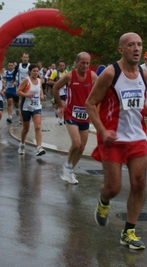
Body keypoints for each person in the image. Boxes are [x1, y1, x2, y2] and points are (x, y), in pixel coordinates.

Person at [85, 32, 147, 250]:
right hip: (113, 139)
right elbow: (90, 103)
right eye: (131, 45)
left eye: (139, 44)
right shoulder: (110, 73)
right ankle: (104, 199)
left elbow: (139, 104)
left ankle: (129, 231)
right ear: (121, 50)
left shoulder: (144, 76)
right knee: (113, 187)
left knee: (140, 184)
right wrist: (102, 131)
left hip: (136, 138)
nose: (136, 48)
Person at [53, 52, 97, 185]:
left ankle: (70, 170)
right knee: (76, 143)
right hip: (71, 113)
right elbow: (55, 88)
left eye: (87, 63)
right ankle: (67, 165)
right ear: (76, 63)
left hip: (85, 115)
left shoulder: (93, 76)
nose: (85, 65)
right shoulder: (69, 76)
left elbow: (102, 88)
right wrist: (61, 105)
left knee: (82, 147)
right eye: (82, 63)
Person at [16, 63, 45, 156]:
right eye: (34, 71)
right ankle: (22, 144)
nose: (36, 73)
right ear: (30, 72)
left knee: (38, 126)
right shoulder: (26, 80)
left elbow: (40, 89)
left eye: (37, 71)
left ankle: (39, 148)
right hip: (26, 107)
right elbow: (18, 91)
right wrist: (26, 95)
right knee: (26, 128)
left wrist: (41, 95)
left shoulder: (40, 81)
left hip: (36, 107)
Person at [48, 60, 67, 125]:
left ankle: (61, 119)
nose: (62, 67)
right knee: (57, 106)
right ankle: (56, 111)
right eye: (60, 66)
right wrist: (58, 84)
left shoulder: (66, 73)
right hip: (57, 92)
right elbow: (49, 81)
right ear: (58, 66)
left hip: (64, 92)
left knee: (62, 105)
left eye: (63, 65)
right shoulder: (55, 72)